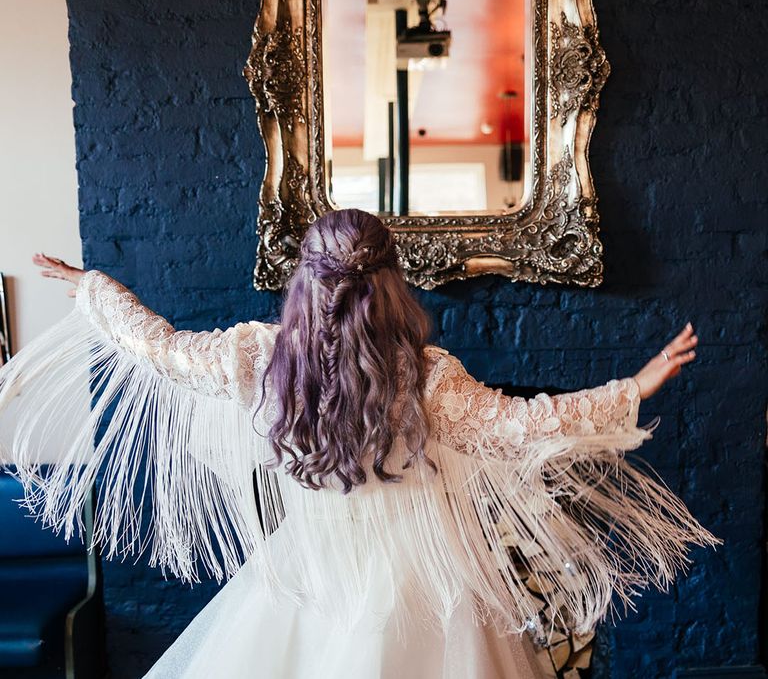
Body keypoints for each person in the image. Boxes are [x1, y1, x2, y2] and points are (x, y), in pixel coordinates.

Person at [1, 208, 718, 678]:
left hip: (310, 575)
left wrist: (93, 289)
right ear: (390, 284)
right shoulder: (429, 378)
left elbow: (157, 345)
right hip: (424, 589)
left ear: (304, 285)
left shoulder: (257, 359)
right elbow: (524, 426)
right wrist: (635, 385)